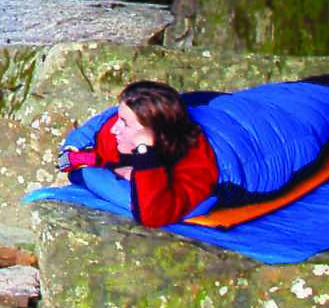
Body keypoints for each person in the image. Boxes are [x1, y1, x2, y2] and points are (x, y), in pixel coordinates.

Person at [60, 78, 220, 227]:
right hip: (198, 101)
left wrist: (145, 155)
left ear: (155, 135)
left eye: (125, 124)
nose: (115, 129)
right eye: (119, 117)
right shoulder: (114, 133)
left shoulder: (196, 165)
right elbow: (71, 156)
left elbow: (153, 215)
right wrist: (118, 170)